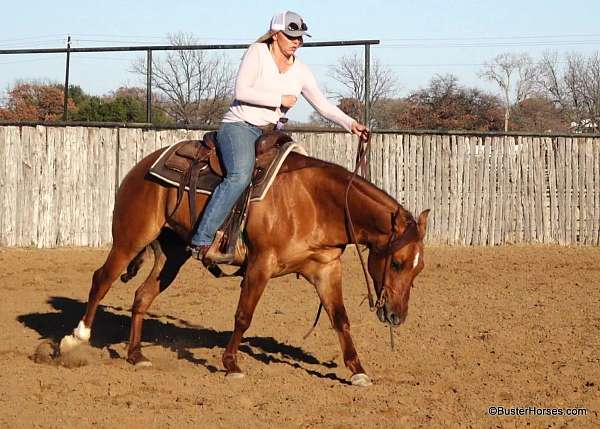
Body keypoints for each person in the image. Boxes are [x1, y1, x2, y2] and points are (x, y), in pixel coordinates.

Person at [189, 10, 369, 263]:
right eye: (291, 35)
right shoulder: (257, 52)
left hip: (271, 134)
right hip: (239, 126)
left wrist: (351, 124)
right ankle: (203, 238)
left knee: (291, 177)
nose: (297, 41)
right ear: (275, 35)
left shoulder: (301, 70)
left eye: (300, 38)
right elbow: (241, 90)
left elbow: (322, 104)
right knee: (240, 175)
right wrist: (280, 100)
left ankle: (260, 239)